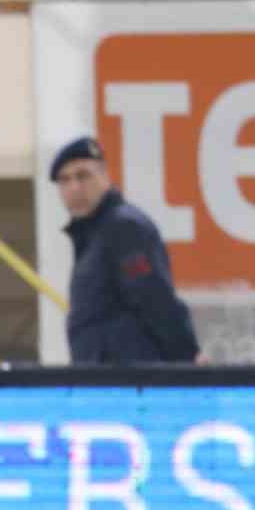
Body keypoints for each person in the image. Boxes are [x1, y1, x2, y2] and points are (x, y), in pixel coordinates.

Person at [52, 135, 200, 365]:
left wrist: (187, 358)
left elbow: (154, 298)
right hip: (109, 379)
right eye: (64, 180)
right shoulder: (93, 235)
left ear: (104, 176)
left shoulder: (123, 227)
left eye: (83, 176)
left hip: (131, 381)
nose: (74, 187)